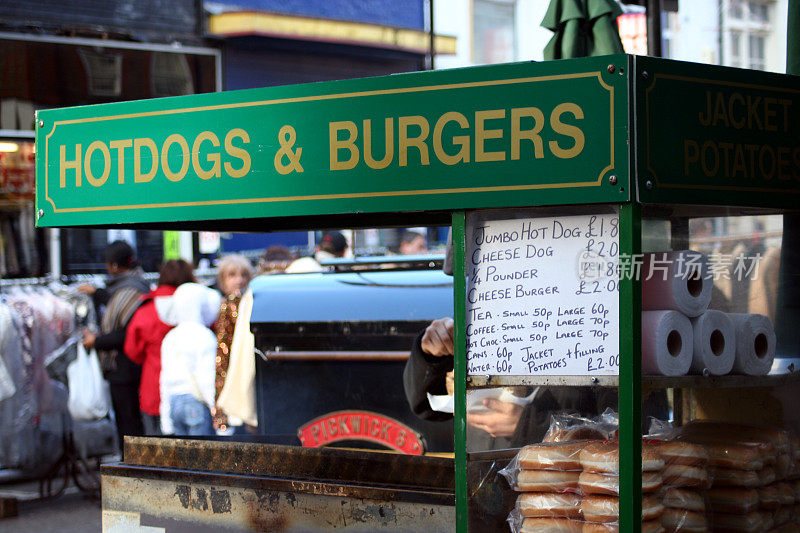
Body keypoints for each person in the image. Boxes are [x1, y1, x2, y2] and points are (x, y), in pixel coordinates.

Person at [79, 240, 150, 450]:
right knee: (129, 420)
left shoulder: (130, 289)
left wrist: (96, 341)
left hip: (126, 368)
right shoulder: (134, 284)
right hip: (128, 366)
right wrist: (96, 293)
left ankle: (131, 466)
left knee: (128, 422)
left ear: (115, 266)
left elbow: (127, 332)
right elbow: (115, 303)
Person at [124, 259, 195, 436]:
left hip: (154, 390)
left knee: (157, 456)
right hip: (193, 389)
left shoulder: (145, 312)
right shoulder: (198, 308)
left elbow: (132, 351)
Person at [159, 282, 222, 435]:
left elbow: (164, 378)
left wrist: (165, 419)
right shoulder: (205, 336)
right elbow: (206, 377)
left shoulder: (170, 337)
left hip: (174, 403)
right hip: (196, 402)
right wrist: (218, 414)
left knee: (182, 456)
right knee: (201, 456)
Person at [213, 254, 254, 434]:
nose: (239, 280)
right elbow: (223, 351)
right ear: (223, 279)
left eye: (243, 275)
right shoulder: (228, 305)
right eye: (232, 275)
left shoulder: (243, 302)